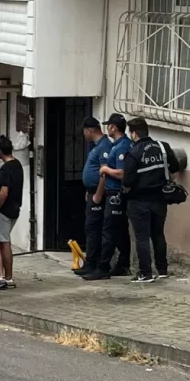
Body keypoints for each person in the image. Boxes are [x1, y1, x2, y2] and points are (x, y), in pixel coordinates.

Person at [122, 117, 181, 283]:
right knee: (158, 234)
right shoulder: (163, 147)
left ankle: (145, 273)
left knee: (142, 237)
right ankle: (162, 270)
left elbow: (127, 182)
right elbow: (174, 170)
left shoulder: (133, 153)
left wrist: (127, 192)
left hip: (139, 201)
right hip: (160, 199)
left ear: (134, 134)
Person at [83, 113, 132, 281]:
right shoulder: (116, 145)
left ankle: (103, 266)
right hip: (111, 193)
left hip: (114, 194)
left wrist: (105, 171)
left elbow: (121, 173)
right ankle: (119, 264)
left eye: (109, 125)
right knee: (117, 231)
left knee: (108, 231)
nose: (107, 128)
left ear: (113, 127)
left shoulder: (120, 147)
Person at [76, 117, 110, 277]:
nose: (83, 134)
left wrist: (98, 193)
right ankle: (90, 262)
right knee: (90, 228)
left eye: (84, 131)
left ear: (89, 130)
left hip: (98, 195)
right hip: (92, 192)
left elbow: (105, 172)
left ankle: (95, 263)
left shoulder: (104, 146)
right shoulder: (96, 146)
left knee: (94, 228)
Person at [0, 135, 23, 288]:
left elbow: (3, 193)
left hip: (4, 210)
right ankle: (5, 275)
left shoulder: (4, 170)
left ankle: (3, 276)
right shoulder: (17, 165)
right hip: (15, 208)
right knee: (3, 240)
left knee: (1, 242)